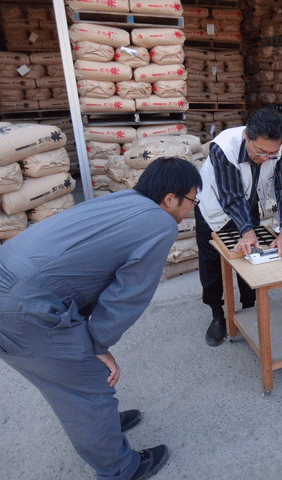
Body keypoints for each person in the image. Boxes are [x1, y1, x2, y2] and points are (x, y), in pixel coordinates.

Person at [0, 157, 202, 480]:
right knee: (89, 384)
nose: (192, 208)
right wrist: (97, 343)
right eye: (192, 200)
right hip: (27, 308)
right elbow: (127, 295)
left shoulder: (125, 199)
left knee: (69, 382)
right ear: (170, 200)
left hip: (11, 280)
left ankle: (101, 425)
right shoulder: (161, 224)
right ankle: (119, 468)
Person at [195, 107, 282, 347]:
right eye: (260, 151)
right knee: (212, 264)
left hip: (249, 201)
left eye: (271, 154)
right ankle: (217, 315)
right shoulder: (224, 147)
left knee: (251, 259)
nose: (265, 158)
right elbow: (231, 196)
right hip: (213, 207)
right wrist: (247, 230)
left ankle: (250, 309)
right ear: (246, 137)